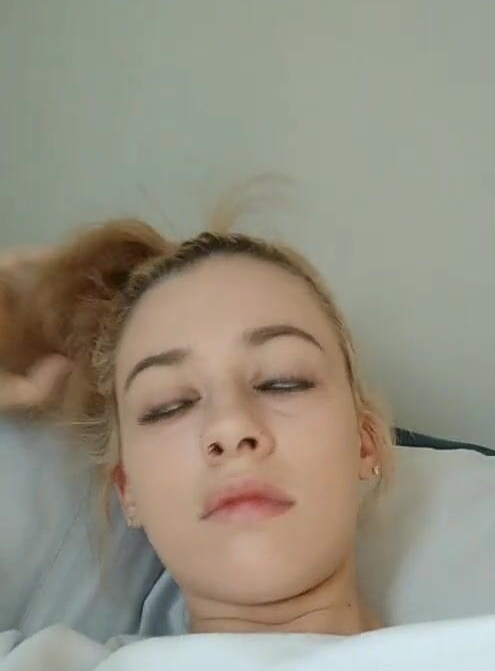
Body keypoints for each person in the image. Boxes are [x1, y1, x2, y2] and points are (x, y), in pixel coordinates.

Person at [0, 179, 396, 636]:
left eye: (281, 382)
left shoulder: (465, 666)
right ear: (128, 489)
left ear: (365, 442)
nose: (230, 426)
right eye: (171, 405)